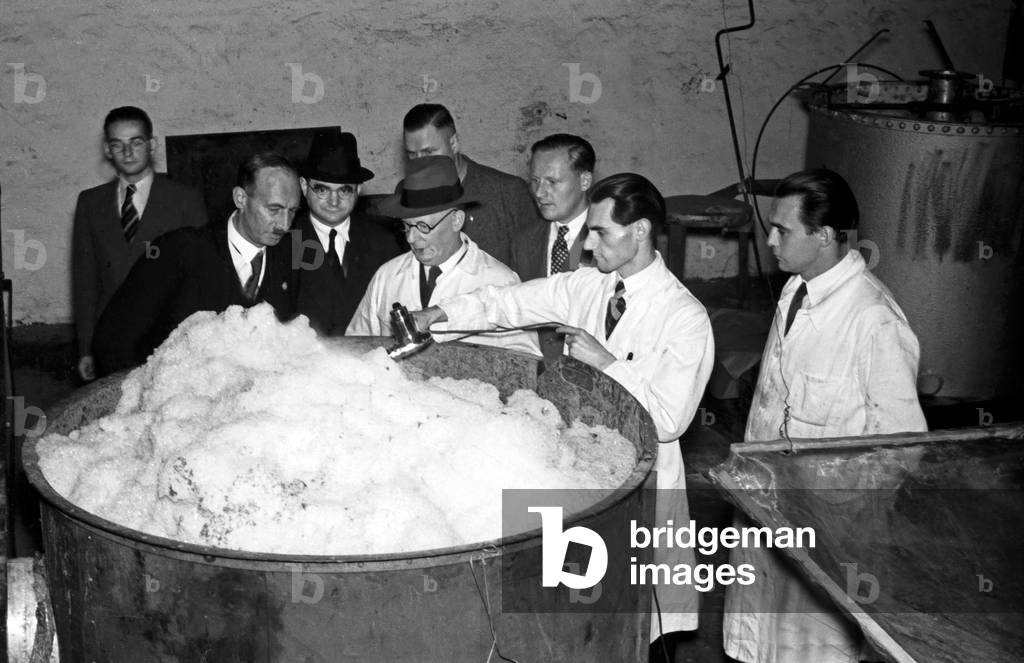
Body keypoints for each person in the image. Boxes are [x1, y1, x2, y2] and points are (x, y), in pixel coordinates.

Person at [414, 172, 715, 645]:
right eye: (589, 231)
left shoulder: (684, 317)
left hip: (645, 483)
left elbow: (671, 420)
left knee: (636, 622)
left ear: (640, 230)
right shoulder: (588, 286)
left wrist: (608, 362)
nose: (591, 246)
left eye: (602, 232)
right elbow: (506, 304)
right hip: (584, 471)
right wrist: (439, 315)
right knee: (577, 619)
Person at [722, 169, 927, 663]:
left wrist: (837, 509)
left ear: (827, 236)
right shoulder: (795, 290)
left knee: (814, 648)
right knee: (761, 638)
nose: (769, 240)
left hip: (829, 530)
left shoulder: (872, 319)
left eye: (783, 230)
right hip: (766, 507)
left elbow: (905, 446)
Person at [92, 153, 301, 376]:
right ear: (240, 198)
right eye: (274, 210)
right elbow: (113, 339)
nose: (284, 224)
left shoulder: (290, 256)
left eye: (293, 211)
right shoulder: (178, 249)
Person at [346, 155, 539, 357]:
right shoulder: (386, 276)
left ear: (456, 220)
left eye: (423, 226)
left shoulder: (500, 280)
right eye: (406, 226)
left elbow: (526, 360)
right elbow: (356, 345)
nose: (412, 238)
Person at [72, 106, 208, 381]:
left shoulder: (184, 200)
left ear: (151, 145)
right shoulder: (90, 203)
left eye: (136, 142)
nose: (127, 152)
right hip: (112, 339)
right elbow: (85, 282)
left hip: (169, 338)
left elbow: (203, 277)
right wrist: (86, 348)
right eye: (117, 144)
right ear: (107, 150)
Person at [272, 130, 402, 336]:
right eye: (322, 189)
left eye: (344, 190)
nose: (334, 201)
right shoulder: (282, 242)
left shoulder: (383, 243)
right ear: (304, 186)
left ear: (358, 189)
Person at [402, 103, 542, 268]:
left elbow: (536, 266)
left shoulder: (507, 193)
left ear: (453, 143)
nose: (421, 164)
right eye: (412, 154)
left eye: (429, 152)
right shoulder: (408, 200)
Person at [509, 133, 596, 361]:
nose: (539, 193)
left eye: (552, 182)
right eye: (535, 181)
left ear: (584, 181)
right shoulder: (523, 240)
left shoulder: (609, 241)